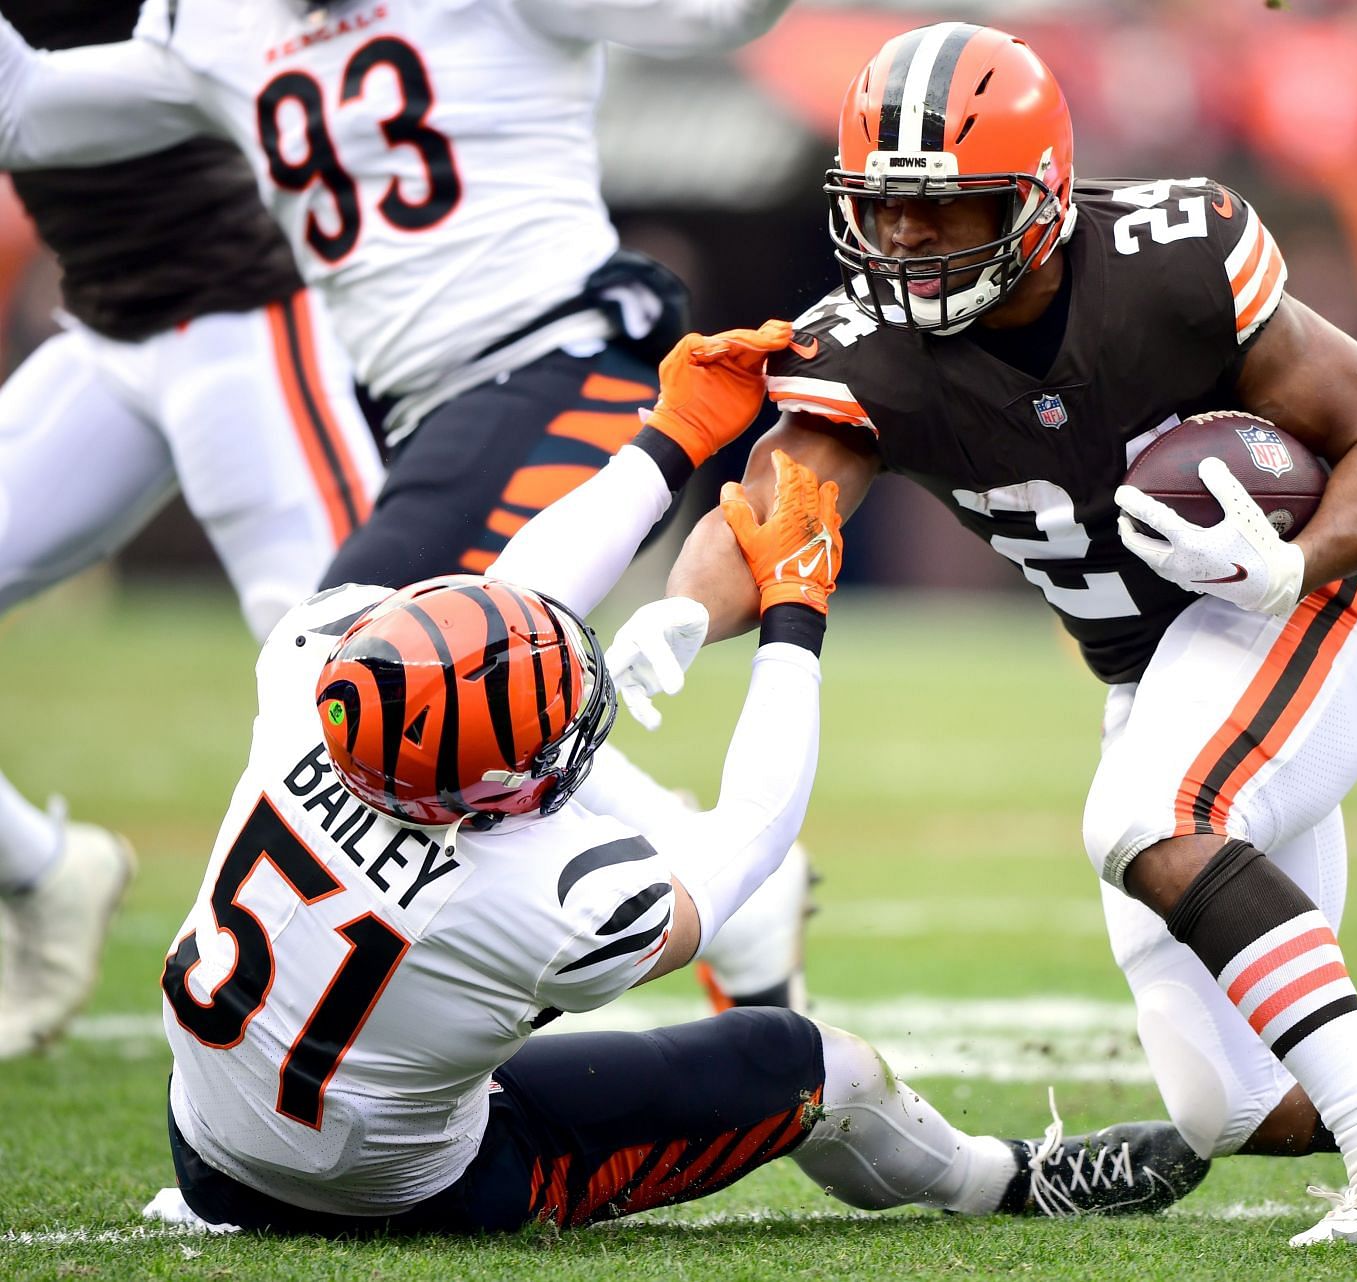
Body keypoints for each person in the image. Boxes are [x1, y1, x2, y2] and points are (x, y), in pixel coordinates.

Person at [638, 23, 1357, 1243]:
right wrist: (674, 611)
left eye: (949, 209)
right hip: (1160, 673)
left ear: (1040, 199)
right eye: (884, 209)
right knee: (1247, 1099)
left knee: (1150, 820)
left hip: (1303, 604)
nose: (907, 242)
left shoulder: (1166, 262)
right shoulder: (867, 348)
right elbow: (772, 511)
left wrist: (1295, 558)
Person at [153, 323, 1208, 1234]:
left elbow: (512, 599)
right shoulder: (539, 899)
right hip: (399, 1190)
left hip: (211, 1136)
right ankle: (1006, 1182)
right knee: (806, 1066)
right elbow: (751, 831)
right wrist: (797, 612)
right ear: (471, 797)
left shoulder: (316, 673)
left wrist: (673, 438)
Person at [0, 0, 814, 1013]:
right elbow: (29, 111)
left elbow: (722, 15)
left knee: (351, 677)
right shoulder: (218, 27)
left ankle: (664, 900)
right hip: (438, 414)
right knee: (363, 683)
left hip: (565, 358)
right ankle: (708, 872)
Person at [0, 0, 383, 1059]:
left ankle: (667, 864)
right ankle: (43, 867)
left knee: (374, 675)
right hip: (109, 331)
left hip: (242, 321)